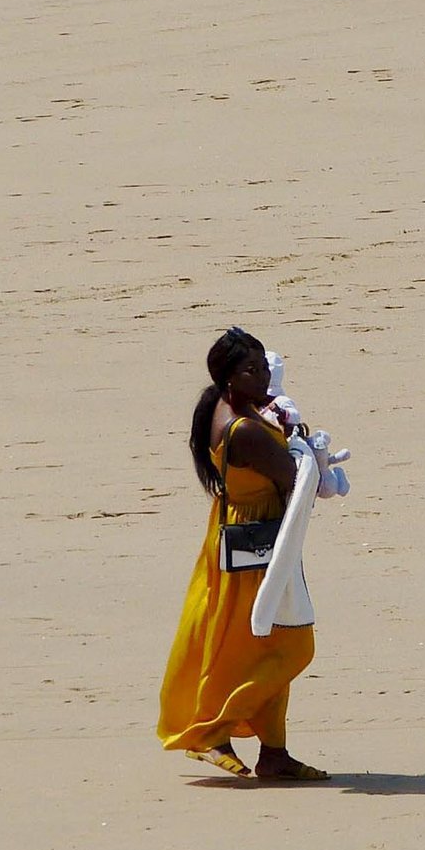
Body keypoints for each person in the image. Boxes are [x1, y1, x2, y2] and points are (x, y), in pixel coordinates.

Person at [157, 328, 328, 779]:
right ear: (229, 378)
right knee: (288, 644)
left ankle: (274, 751)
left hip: (233, 533)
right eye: (251, 371)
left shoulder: (223, 404)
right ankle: (211, 729)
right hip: (260, 544)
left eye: (264, 367)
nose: (263, 377)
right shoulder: (246, 430)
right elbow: (295, 480)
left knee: (249, 642)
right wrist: (306, 447)